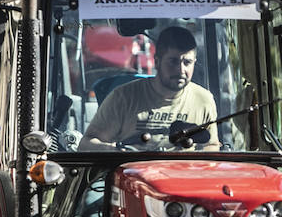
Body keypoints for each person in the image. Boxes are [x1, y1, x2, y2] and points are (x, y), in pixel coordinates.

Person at [80, 25, 217, 151]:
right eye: (173, 61)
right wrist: (114, 151)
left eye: (187, 62)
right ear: (157, 62)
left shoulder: (203, 100)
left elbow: (212, 146)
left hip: (183, 174)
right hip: (133, 174)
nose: (181, 70)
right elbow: (86, 144)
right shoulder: (123, 97)